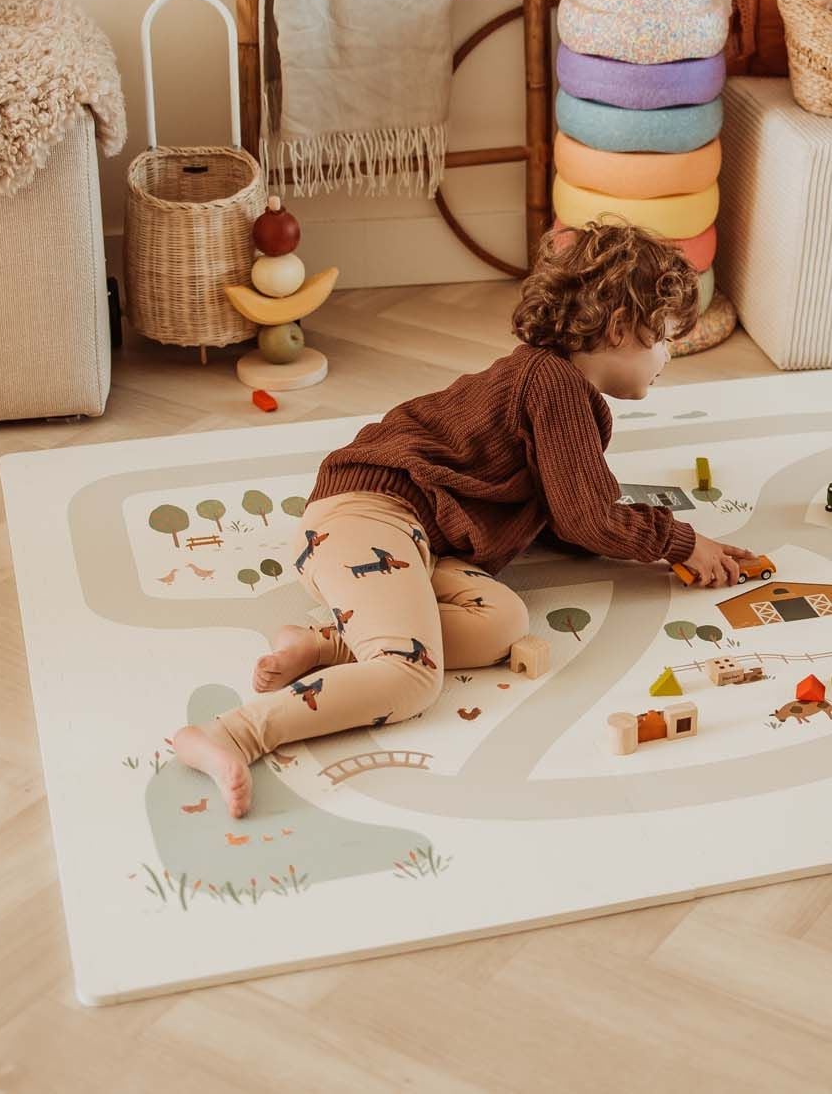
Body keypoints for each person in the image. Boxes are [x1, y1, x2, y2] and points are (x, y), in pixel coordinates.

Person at [172, 223, 753, 816]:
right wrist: (678, 541)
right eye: (664, 340)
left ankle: (324, 642)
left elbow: (556, 509)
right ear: (620, 328)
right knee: (411, 679)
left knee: (502, 621)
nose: (668, 356)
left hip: (420, 539)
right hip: (366, 516)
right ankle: (232, 734)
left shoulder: (557, 386)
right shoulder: (553, 383)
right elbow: (587, 516)